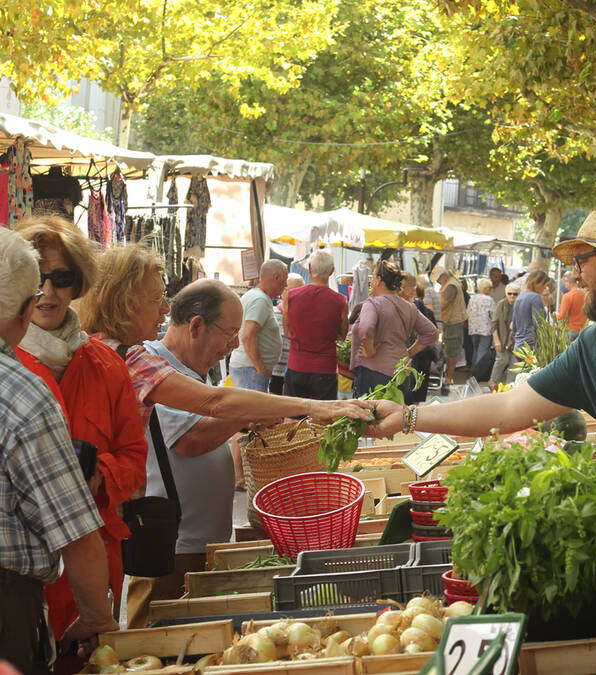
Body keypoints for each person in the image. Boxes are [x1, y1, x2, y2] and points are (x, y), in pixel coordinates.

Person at [368, 205, 596, 458]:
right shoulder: (595, 345)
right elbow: (509, 406)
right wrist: (408, 416)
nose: (575, 276)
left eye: (581, 262)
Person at [12, 217, 148, 644]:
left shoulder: (106, 365)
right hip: (27, 565)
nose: (48, 292)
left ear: (78, 283)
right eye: (37, 278)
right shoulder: (7, 368)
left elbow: (133, 456)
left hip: (95, 556)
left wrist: (98, 475)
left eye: (61, 278)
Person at [75, 244, 373, 431]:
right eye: (156, 300)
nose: (165, 309)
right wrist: (315, 406)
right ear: (124, 303)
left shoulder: (97, 345)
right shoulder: (129, 357)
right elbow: (215, 401)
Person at [0, 228, 116, 674]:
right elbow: (77, 532)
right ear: (26, 308)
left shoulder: (100, 362)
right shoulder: (23, 395)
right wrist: (96, 618)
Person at [126, 280, 244, 629]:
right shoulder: (154, 367)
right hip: (167, 547)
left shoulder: (193, 371)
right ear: (196, 325)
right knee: (148, 645)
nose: (234, 344)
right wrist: (248, 414)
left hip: (196, 544)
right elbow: (190, 439)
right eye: (230, 332)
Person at [350, 260, 438, 399]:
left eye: (373, 277)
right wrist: (408, 353)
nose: (371, 281)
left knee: (372, 418)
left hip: (375, 373)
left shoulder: (372, 303)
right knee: (394, 417)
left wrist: (370, 349)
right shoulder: (409, 306)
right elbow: (431, 333)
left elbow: (366, 328)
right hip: (402, 373)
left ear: (379, 280)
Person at [283, 250, 347, 400]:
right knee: (323, 419)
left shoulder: (291, 296)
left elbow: (287, 331)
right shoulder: (340, 301)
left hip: (296, 364)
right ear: (331, 271)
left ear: (309, 268)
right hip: (326, 368)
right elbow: (342, 336)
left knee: (292, 418)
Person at [229, 259, 288, 393]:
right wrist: (260, 367)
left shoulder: (257, 296)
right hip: (250, 370)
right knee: (252, 412)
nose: (285, 284)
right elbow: (248, 336)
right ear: (276, 277)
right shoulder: (259, 300)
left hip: (249, 369)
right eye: (285, 279)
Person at [270, 273, 304, 395]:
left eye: (300, 291)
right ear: (283, 290)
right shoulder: (271, 313)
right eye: (292, 290)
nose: (296, 294)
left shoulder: (306, 317)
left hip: (298, 375)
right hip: (273, 374)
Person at [438, 268, 467, 389]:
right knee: (450, 350)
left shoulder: (450, 286)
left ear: (444, 275)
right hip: (452, 321)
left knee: (451, 351)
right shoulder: (451, 282)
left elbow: (444, 304)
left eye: (438, 279)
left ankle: (448, 378)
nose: (438, 282)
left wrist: (431, 309)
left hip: (452, 322)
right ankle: (448, 377)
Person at [488, 283, 519, 389]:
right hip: (502, 338)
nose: (512, 296)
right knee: (502, 359)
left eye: (515, 294)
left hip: (516, 340)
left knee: (514, 363)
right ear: (506, 294)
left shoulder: (520, 305)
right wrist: (496, 341)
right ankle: (493, 380)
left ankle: (509, 385)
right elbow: (494, 323)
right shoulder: (501, 304)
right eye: (509, 293)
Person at [512, 270, 550, 351]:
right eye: (544, 285)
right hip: (531, 345)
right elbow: (539, 323)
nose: (544, 288)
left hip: (518, 345)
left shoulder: (519, 297)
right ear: (537, 283)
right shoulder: (535, 297)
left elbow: (514, 326)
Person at [466, 277, 497, 367]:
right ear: (486, 288)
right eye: (490, 288)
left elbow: (468, 312)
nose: (491, 290)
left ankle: (473, 368)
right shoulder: (489, 300)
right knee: (482, 349)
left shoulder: (472, 299)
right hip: (485, 329)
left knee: (475, 349)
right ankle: (478, 371)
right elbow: (493, 315)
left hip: (473, 328)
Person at [557, 270, 586, 340]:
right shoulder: (585, 294)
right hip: (583, 329)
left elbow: (561, 316)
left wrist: (555, 315)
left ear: (568, 281)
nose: (565, 285)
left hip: (570, 331)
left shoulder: (567, 296)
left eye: (565, 283)